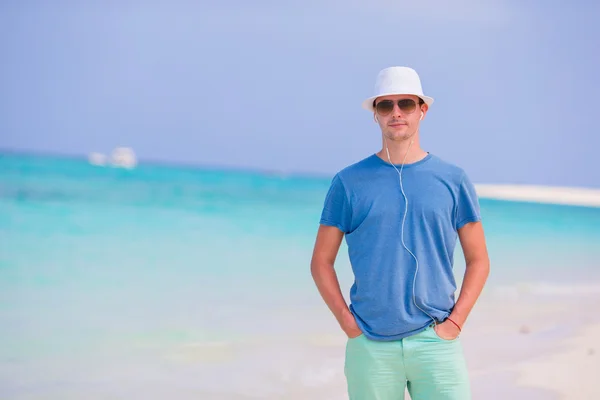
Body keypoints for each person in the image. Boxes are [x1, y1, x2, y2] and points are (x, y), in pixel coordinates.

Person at [310, 66, 490, 399]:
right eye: (385, 105)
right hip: (371, 344)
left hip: (436, 343)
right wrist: (348, 324)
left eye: (406, 103)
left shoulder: (454, 180)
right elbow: (321, 261)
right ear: (375, 114)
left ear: (422, 110)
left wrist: (455, 323)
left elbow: (478, 260)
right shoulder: (348, 183)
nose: (396, 113)